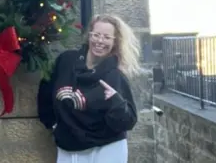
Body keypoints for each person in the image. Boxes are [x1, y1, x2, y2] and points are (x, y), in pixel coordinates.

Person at [37, 14, 140, 163]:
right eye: (96, 35)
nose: (100, 41)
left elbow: (129, 121)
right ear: (89, 36)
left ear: (115, 42)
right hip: (68, 147)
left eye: (106, 37)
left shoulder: (115, 76)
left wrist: (116, 103)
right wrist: (52, 124)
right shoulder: (66, 61)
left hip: (106, 148)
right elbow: (45, 90)